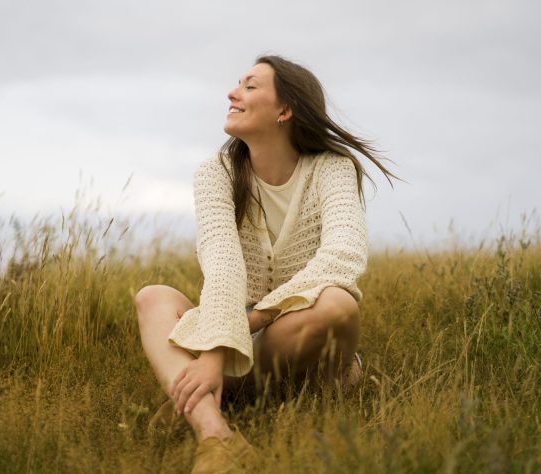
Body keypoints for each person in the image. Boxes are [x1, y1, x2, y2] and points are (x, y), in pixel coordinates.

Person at [135, 54, 397, 473]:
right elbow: (222, 264)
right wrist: (217, 350)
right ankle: (215, 434)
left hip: (298, 331)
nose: (232, 93)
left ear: (285, 110)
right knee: (153, 298)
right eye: (237, 84)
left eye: (250, 86)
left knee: (337, 303)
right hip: (238, 329)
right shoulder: (216, 172)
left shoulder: (332, 169)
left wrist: (251, 321)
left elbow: (342, 257)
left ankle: (200, 398)